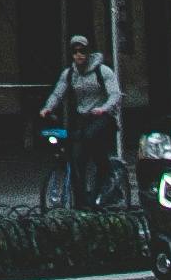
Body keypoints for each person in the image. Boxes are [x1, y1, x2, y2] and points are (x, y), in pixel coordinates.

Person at [44, 32, 123, 208]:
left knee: (93, 143)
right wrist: (48, 107)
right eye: (75, 51)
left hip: (103, 117)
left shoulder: (102, 71)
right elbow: (58, 92)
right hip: (84, 117)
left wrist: (103, 108)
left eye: (82, 51)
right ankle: (81, 202)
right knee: (77, 156)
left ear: (88, 52)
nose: (79, 55)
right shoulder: (70, 73)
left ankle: (107, 179)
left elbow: (115, 95)